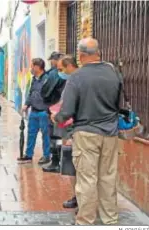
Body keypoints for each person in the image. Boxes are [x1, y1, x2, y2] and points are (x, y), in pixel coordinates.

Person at [51, 38, 121, 225]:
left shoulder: (77, 77)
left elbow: (67, 111)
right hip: (111, 133)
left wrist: (56, 118)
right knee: (108, 177)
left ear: (81, 56)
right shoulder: (114, 72)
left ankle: (86, 220)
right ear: (98, 53)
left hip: (86, 133)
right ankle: (110, 219)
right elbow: (118, 104)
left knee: (86, 179)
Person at [52, 55, 79, 211]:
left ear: (69, 66)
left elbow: (71, 107)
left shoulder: (76, 80)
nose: (59, 72)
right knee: (73, 167)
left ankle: (79, 199)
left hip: (74, 129)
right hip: (70, 127)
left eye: (61, 69)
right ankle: (77, 196)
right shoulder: (70, 80)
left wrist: (58, 115)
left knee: (76, 167)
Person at [18, 58, 50, 165]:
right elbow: (31, 93)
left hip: (44, 112)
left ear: (37, 67)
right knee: (31, 134)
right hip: (34, 111)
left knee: (45, 135)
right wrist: (26, 104)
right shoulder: (34, 79)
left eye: (32, 66)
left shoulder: (47, 79)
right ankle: (28, 155)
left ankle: (46, 156)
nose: (30, 68)